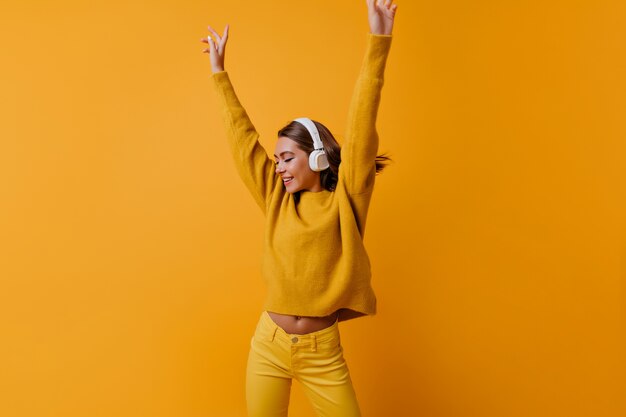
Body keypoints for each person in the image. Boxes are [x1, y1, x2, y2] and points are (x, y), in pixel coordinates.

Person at [201, 1, 397, 415]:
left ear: (318, 157)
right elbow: (242, 140)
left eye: (287, 158)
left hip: (322, 352)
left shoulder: (348, 197)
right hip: (268, 344)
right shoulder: (276, 198)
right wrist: (220, 75)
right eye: (276, 160)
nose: (279, 167)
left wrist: (379, 40)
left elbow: (363, 122)